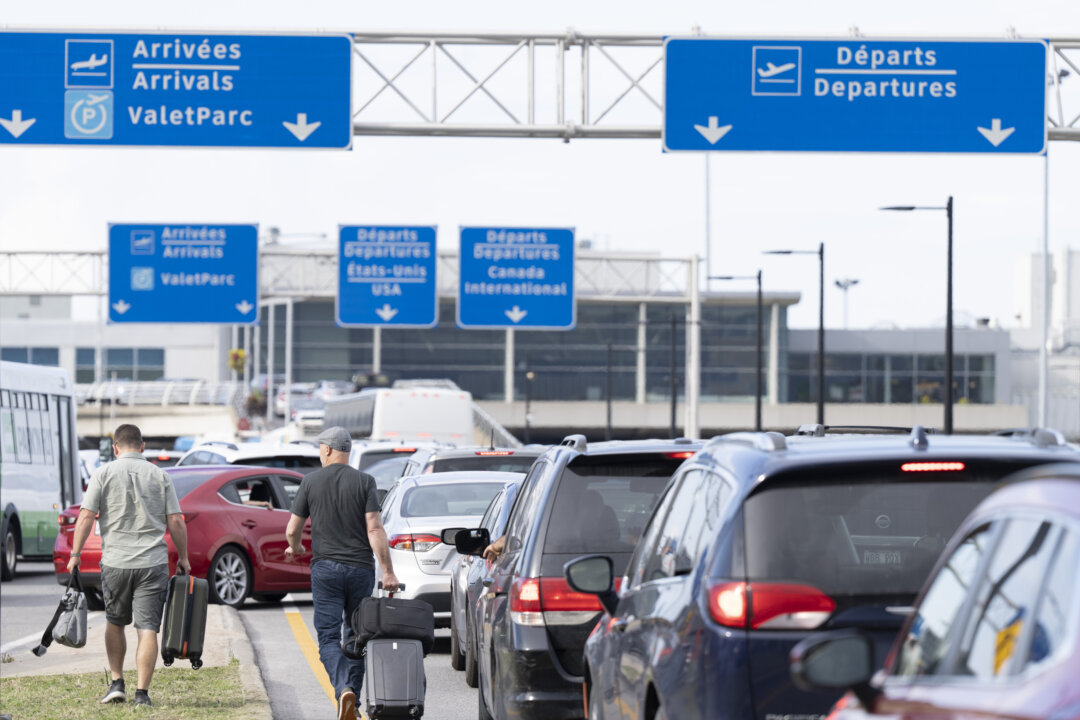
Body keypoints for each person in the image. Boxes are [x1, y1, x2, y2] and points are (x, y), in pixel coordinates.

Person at [66, 423, 190, 708]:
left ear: (115, 448)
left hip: (116, 562)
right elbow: (176, 520)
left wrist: (75, 554)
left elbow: (86, 517)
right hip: (152, 563)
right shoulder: (160, 476)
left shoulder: (103, 473)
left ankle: (117, 681)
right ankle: (142, 694)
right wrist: (183, 557)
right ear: (142, 446)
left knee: (114, 621)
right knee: (147, 628)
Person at [285, 426, 399, 720]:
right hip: (360, 569)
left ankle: (343, 688)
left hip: (326, 571)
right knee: (357, 639)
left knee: (327, 639)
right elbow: (374, 528)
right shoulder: (365, 481)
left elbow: (292, 530)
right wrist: (388, 571)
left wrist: (295, 547)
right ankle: (354, 703)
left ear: (326, 450)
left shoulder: (310, 482)